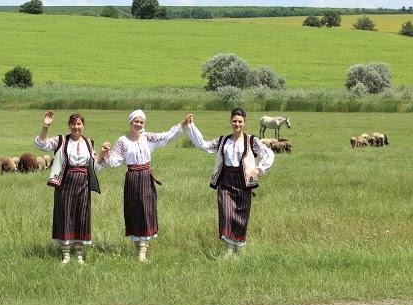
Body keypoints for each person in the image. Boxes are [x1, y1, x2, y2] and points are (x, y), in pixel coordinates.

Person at [100, 109, 188, 262]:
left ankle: (142, 252)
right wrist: (106, 152)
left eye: (141, 122)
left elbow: (167, 136)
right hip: (133, 178)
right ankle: (139, 248)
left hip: (146, 177)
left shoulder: (148, 137)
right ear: (131, 122)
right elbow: (114, 162)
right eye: (136, 121)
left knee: (147, 211)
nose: (139, 124)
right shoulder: (122, 141)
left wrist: (182, 124)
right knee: (135, 212)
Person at [186, 108, 274, 258]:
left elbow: (268, 153)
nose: (237, 124)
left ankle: (238, 250)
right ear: (230, 121)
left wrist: (258, 169)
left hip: (244, 181)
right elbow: (204, 145)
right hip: (225, 180)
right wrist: (191, 126)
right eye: (234, 121)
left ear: (244, 122)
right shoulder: (223, 141)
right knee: (226, 213)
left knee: (241, 215)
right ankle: (228, 249)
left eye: (240, 121)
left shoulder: (251, 141)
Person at [35, 110, 105, 265]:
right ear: (69, 125)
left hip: (83, 183)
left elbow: (96, 165)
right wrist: (46, 126)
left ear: (83, 125)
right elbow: (41, 144)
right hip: (65, 182)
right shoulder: (61, 140)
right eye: (73, 124)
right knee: (65, 214)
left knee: (81, 216)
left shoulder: (88, 143)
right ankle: (66, 254)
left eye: (79, 123)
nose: (76, 127)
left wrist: (103, 152)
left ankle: (79, 254)